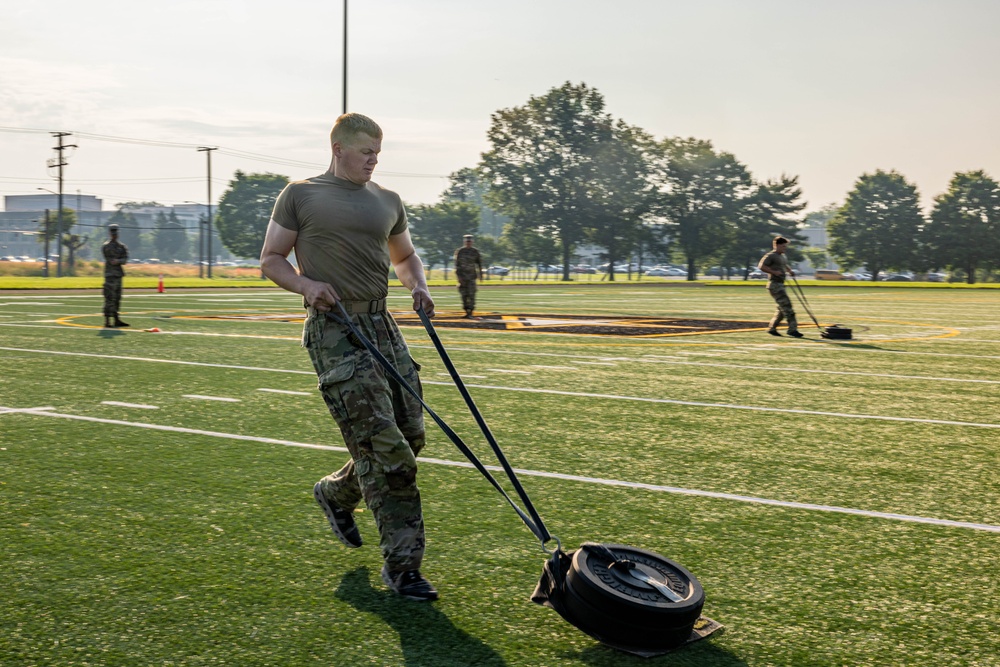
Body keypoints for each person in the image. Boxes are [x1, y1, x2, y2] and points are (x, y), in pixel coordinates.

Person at [260, 113, 438, 601]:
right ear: (338, 148)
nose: (374, 160)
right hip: (335, 330)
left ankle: (337, 493)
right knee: (389, 452)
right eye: (365, 152)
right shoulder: (301, 194)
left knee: (411, 436)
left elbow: (403, 258)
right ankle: (403, 567)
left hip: (384, 327)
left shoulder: (388, 201)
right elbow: (271, 258)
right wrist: (305, 284)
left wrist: (418, 287)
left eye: (378, 152)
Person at [757, 236, 803, 338]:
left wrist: (790, 271)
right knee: (788, 308)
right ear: (776, 245)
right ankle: (792, 330)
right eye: (783, 246)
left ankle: (772, 328)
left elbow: (784, 265)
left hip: (781, 284)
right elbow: (761, 266)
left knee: (782, 309)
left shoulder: (782, 256)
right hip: (775, 285)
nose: (785, 248)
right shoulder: (771, 255)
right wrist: (774, 272)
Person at [101, 223, 129, 328]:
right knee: (109, 297)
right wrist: (118, 260)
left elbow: (125, 259)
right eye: (113, 233)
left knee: (117, 298)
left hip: (118, 275)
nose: (114, 235)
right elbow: (107, 256)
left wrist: (118, 261)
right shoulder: (106, 246)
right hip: (109, 275)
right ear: (110, 233)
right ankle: (107, 321)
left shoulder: (122, 247)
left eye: (116, 233)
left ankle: (116, 319)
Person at [453, 234, 483, 318]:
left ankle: (471, 312)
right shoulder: (460, 251)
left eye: (470, 241)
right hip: (463, 277)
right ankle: (466, 311)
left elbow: (479, 264)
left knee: (472, 294)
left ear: (472, 242)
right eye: (467, 241)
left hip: (472, 277)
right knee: (464, 295)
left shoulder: (475, 251)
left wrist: (481, 275)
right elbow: (457, 265)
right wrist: (459, 277)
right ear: (464, 242)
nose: (468, 243)